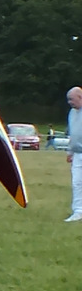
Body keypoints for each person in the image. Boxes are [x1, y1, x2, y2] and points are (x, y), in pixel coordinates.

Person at [68, 86, 82, 223]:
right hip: (77, 154)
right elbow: (73, 133)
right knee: (76, 183)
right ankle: (78, 211)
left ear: (80, 97)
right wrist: (70, 151)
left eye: (71, 99)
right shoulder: (72, 113)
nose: (69, 102)